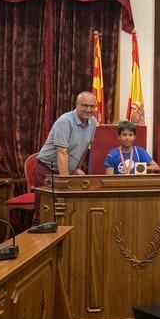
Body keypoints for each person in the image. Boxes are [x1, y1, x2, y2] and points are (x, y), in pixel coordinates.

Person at [33, 91, 98, 223]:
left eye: (92, 106)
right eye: (85, 105)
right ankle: (35, 240)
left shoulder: (93, 122)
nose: (89, 109)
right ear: (76, 105)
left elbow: (84, 149)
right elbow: (61, 152)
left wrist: (76, 168)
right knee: (45, 211)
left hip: (66, 170)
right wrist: (66, 181)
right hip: (47, 170)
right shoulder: (65, 121)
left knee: (68, 209)